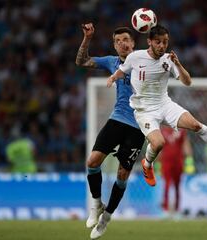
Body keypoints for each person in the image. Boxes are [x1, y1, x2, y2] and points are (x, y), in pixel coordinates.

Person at [107, 25, 207, 187]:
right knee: (158, 143)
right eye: (158, 42)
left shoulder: (168, 60)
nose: (162, 46)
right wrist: (112, 78)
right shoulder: (135, 57)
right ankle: (147, 164)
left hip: (165, 104)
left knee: (195, 125)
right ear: (149, 42)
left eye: (165, 42)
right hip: (144, 110)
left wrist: (178, 64)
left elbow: (188, 82)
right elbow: (122, 70)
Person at [75, 23, 145, 239]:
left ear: (133, 43)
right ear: (114, 46)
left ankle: (106, 218)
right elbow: (81, 61)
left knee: (122, 174)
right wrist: (87, 38)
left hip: (139, 124)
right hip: (117, 119)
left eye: (125, 39)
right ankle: (96, 205)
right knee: (92, 161)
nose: (122, 43)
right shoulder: (112, 62)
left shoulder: (145, 61)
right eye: (117, 41)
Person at [159, 126, 192, 216]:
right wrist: (157, 164)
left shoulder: (181, 130)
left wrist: (189, 163)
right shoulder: (162, 131)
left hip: (178, 162)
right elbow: (159, 147)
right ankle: (165, 210)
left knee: (177, 186)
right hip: (166, 162)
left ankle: (177, 210)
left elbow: (186, 145)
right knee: (166, 185)